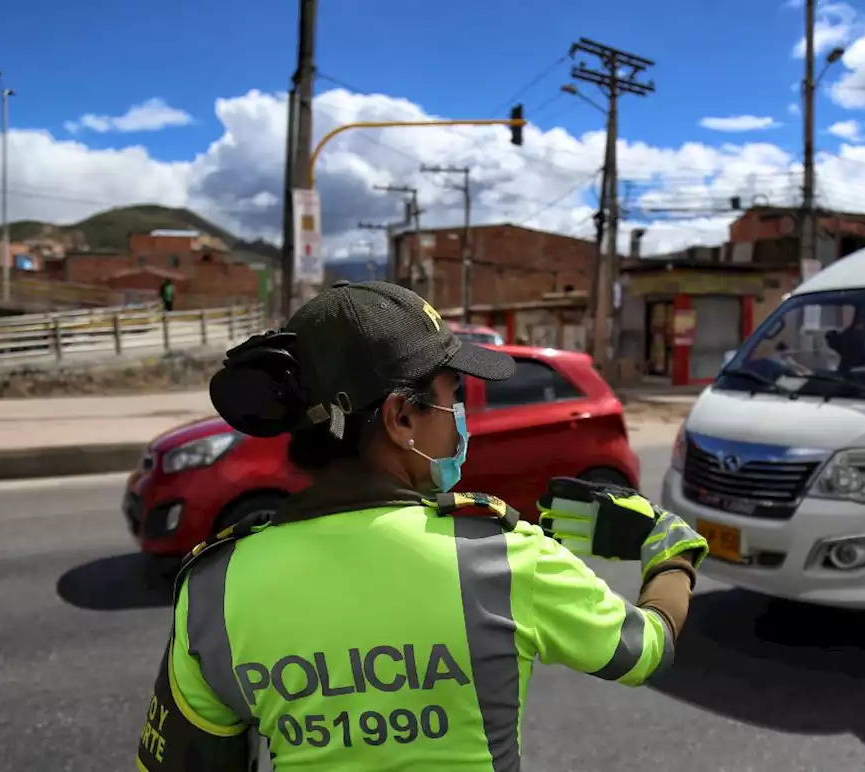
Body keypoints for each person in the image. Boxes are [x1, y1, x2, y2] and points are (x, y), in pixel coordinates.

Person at [135, 280, 708, 772]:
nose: (459, 418)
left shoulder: (214, 588)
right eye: (451, 396)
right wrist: (671, 550)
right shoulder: (501, 557)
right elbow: (646, 649)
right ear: (401, 416)